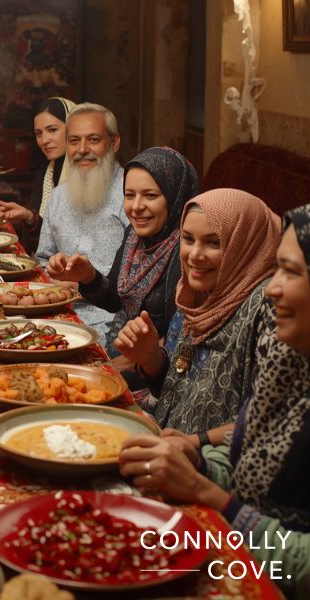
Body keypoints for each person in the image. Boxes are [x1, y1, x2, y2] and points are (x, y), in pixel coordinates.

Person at [118, 204, 310, 597]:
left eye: (291, 272)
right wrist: (199, 461)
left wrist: (208, 491)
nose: (272, 289)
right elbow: (249, 454)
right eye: (276, 269)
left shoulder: (268, 322)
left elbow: (303, 572)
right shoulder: (294, 364)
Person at [114, 188, 281, 435]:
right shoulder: (195, 294)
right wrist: (151, 359)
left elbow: (271, 423)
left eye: (214, 242)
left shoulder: (272, 306)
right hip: (166, 438)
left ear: (244, 243)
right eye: (188, 239)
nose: (194, 255)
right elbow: (176, 382)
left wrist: (196, 445)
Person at [46, 147, 197, 378]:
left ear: (175, 196)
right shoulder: (134, 237)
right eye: (129, 195)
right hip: (119, 349)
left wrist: (123, 366)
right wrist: (88, 276)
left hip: (157, 373)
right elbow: (116, 301)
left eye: (150, 195)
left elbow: (183, 340)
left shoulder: (187, 252)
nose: (136, 206)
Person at [34, 102, 129, 344]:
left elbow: (135, 282)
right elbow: (42, 259)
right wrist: (52, 271)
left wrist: (80, 285)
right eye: (74, 141)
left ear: (114, 142)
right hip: (54, 315)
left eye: (93, 140)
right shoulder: (58, 196)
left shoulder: (132, 196)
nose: (82, 149)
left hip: (110, 324)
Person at [0, 97, 75, 253]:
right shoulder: (46, 172)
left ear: (72, 128)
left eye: (52, 130)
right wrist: (28, 216)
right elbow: (45, 238)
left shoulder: (89, 176)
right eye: (39, 133)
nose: (44, 140)